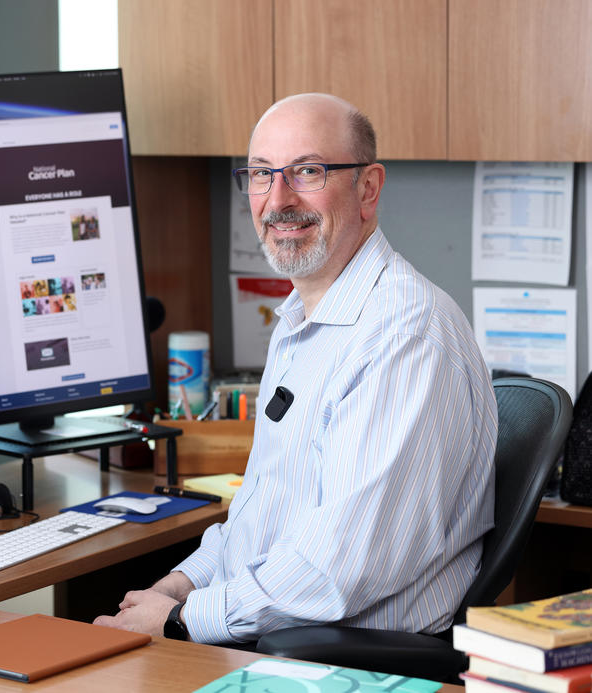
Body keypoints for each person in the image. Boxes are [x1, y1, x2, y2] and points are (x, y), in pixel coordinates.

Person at [93, 93, 498, 645]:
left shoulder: (404, 336)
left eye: (308, 171)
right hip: (273, 633)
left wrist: (179, 619)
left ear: (368, 188)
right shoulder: (299, 322)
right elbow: (260, 516)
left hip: (342, 660)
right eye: (262, 174)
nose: (278, 200)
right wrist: (178, 586)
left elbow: (339, 568)